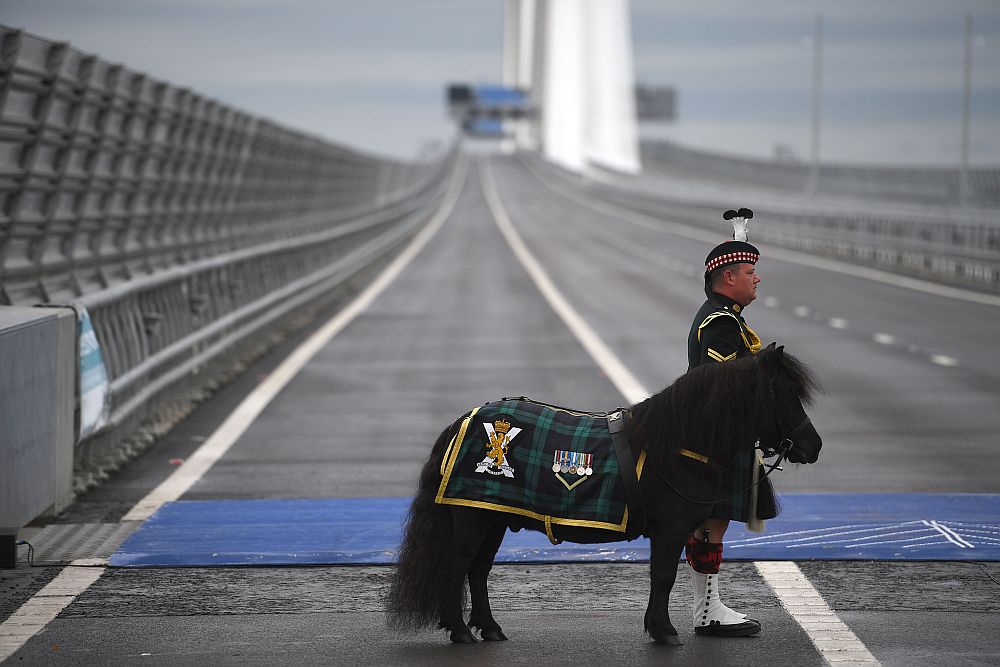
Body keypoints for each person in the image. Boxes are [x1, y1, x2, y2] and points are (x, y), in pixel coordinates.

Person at [684, 208, 775, 638]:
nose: (757, 279)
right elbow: (726, 384)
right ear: (728, 279)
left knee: (711, 523)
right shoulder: (720, 323)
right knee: (709, 523)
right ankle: (706, 611)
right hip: (713, 439)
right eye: (750, 271)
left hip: (712, 435)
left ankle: (708, 606)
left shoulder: (725, 316)